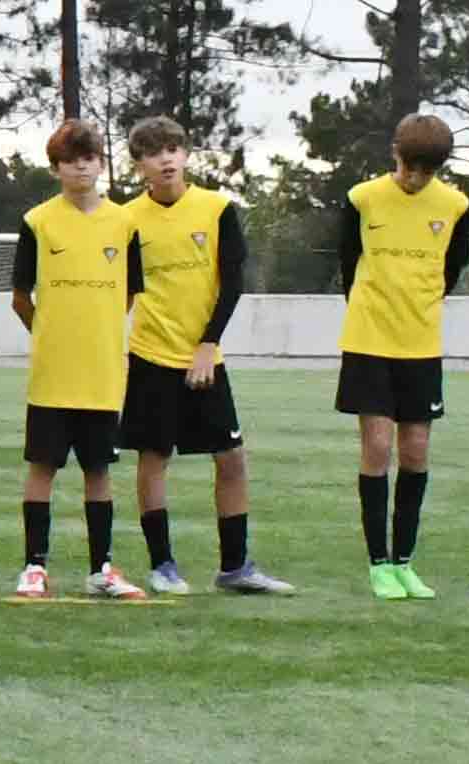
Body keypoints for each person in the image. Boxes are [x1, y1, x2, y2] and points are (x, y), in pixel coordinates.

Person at [115, 116, 276, 596]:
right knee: (154, 459)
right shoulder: (126, 219)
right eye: (153, 153)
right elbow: (122, 291)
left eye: (172, 149)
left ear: (185, 155)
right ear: (140, 165)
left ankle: (235, 566)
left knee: (231, 458)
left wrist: (208, 344)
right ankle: (162, 565)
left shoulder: (217, 208)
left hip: (204, 358)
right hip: (150, 356)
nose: (165, 159)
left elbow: (232, 284)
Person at [6, 120, 149, 599]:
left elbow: (129, 293)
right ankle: (34, 567)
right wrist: (51, 335)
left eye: (88, 158)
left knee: (99, 471)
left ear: (101, 164)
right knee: (42, 467)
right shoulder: (37, 222)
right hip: (53, 373)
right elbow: (20, 297)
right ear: (56, 169)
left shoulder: (125, 224)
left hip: (102, 373)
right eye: (70, 160)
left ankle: (101, 569)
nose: (80, 168)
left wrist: (97, 332)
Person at [333, 114, 468, 599]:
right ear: (395, 154)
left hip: (421, 345)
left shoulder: (455, 205)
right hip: (369, 341)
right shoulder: (362, 198)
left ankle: (405, 562)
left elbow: (454, 267)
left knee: (415, 451)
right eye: (411, 167)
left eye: (427, 172)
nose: (415, 178)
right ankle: (379, 564)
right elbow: (348, 262)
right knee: (377, 448)